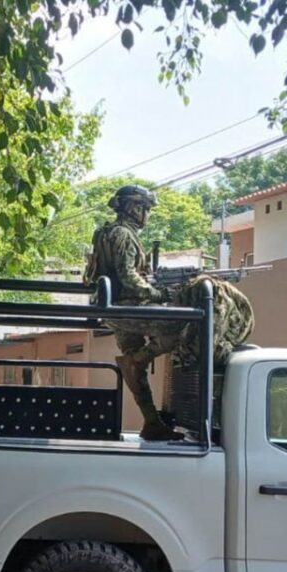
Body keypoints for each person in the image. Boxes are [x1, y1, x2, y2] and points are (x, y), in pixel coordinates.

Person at [84, 185, 187, 440]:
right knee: (184, 328)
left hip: (112, 311)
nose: (147, 215)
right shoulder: (124, 235)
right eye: (146, 209)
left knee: (133, 362)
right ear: (134, 208)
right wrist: (159, 294)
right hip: (130, 308)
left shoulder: (104, 233)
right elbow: (129, 276)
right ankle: (140, 359)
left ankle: (152, 422)